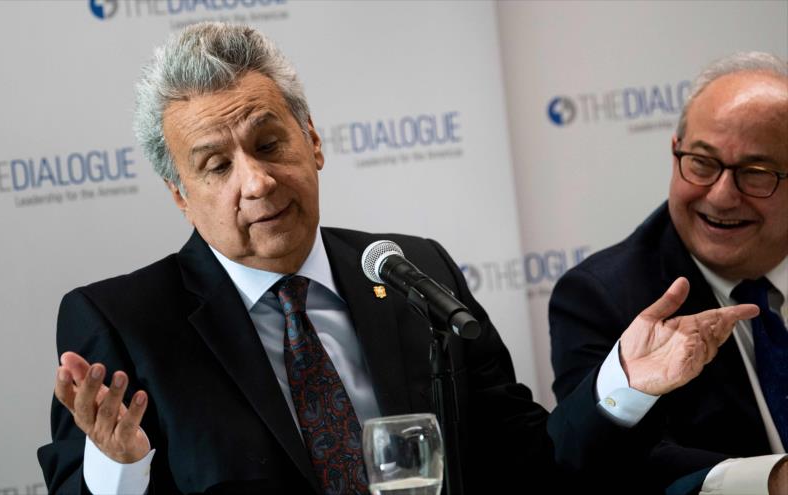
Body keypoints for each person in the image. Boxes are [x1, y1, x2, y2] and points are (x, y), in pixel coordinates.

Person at [38, 23, 758, 494]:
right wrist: (120, 468)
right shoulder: (122, 324)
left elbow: (531, 467)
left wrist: (623, 381)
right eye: (215, 165)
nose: (254, 181)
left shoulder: (414, 272)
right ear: (179, 193)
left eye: (267, 143)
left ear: (312, 143)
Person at [549, 51, 788, 495]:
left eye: (755, 173)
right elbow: (606, 466)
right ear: (675, 150)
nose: (720, 196)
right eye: (701, 162)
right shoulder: (603, 296)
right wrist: (773, 480)